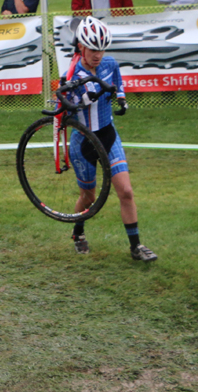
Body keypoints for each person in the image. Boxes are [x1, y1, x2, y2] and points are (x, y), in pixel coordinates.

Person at [61, 16, 156, 262]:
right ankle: (78, 233)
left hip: (108, 135)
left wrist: (122, 99)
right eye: (93, 49)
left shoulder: (109, 63)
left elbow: (118, 81)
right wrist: (83, 98)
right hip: (84, 143)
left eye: (102, 49)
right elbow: (67, 108)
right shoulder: (72, 74)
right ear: (81, 46)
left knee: (125, 191)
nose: (98, 55)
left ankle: (136, 247)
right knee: (89, 197)